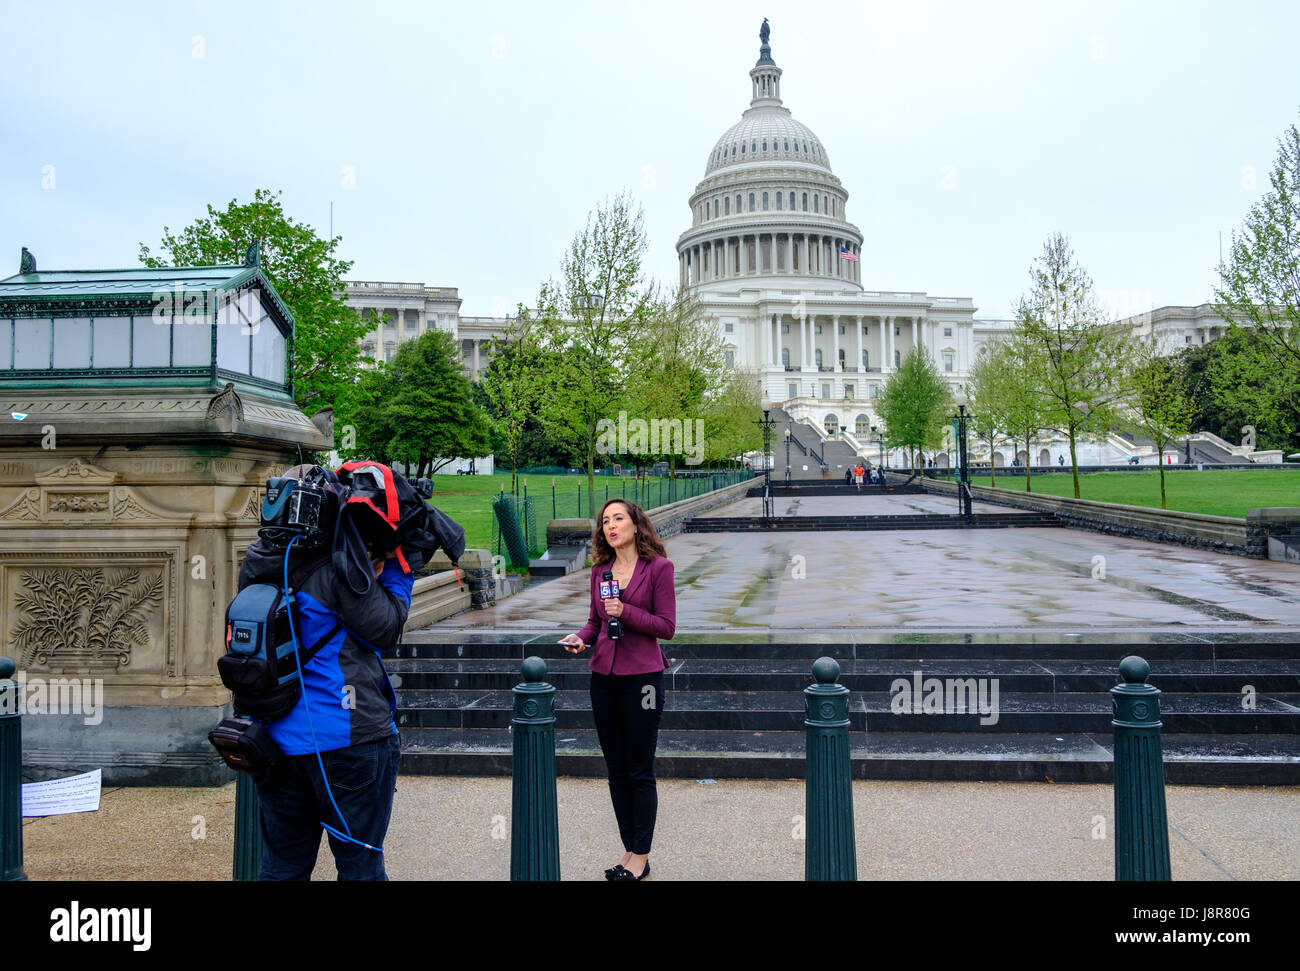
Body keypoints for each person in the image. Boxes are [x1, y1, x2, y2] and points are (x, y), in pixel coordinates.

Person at [236, 464, 411, 880]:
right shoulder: (338, 565)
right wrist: (400, 569)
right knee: (360, 864)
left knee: (282, 865)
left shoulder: (257, 561)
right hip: (346, 739)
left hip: (275, 742)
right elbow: (385, 629)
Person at [559, 498, 676, 882]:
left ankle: (641, 856)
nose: (610, 525)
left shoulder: (659, 568)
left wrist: (624, 611)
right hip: (604, 680)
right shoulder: (600, 571)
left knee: (639, 770)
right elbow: (595, 621)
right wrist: (581, 637)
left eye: (618, 518)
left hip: (642, 680)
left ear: (635, 524)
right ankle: (630, 851)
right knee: (616, 771)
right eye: (605, 520)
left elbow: (666, 626)